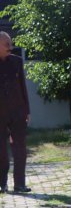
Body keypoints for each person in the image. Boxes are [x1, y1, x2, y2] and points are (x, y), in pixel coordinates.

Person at [0, 32, 30, 194]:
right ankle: (1, 183)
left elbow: (22, 87)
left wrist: (27, 110)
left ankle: (20, 184)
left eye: (10, 44)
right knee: (1, 151)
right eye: (6, 44)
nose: (10, 48)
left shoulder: (17, 62)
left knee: (20, 149)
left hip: (17, 112)